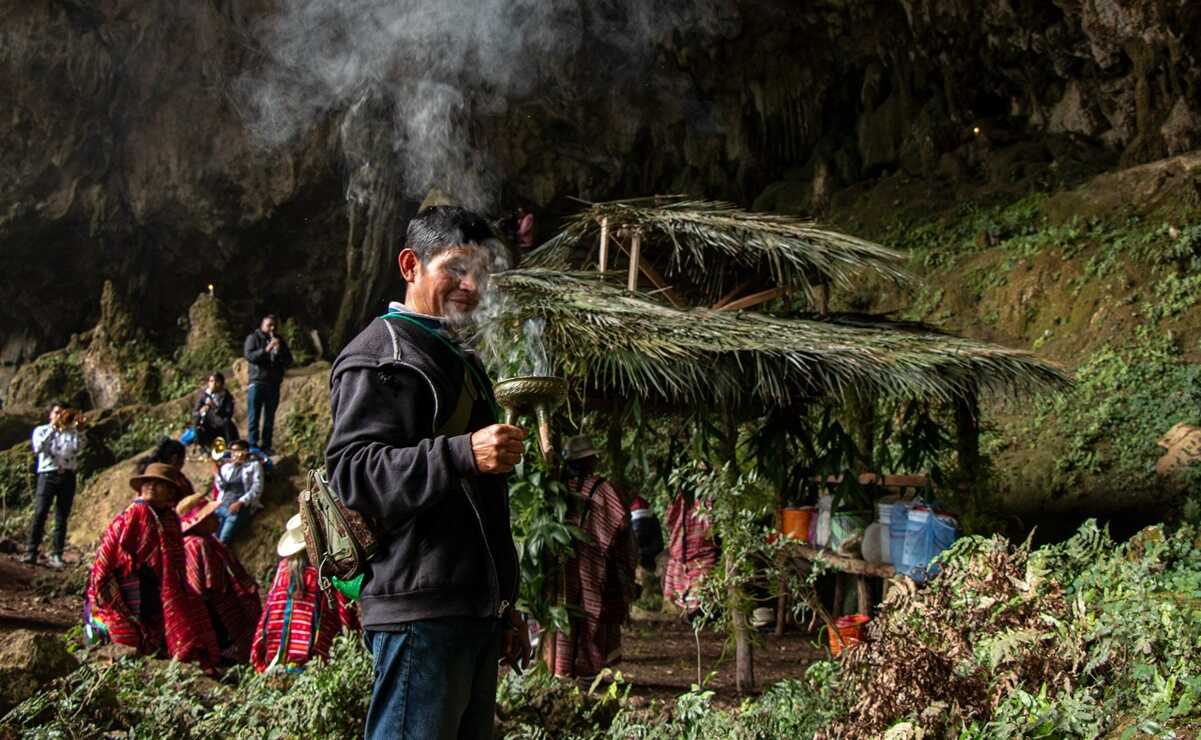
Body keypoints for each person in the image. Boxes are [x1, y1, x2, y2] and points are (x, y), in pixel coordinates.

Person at [325, 205, 531, 740]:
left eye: (482, 273)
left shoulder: (458, 357)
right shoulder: (381, 354)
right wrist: (462, 452)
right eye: (456, 268)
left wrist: (502, 605)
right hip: (420, 614)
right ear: (411, 264)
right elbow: (352, 471)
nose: (470, 285)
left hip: (469, 612)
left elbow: (477, 507)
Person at [83, 463, 221, 670]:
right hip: (121, 590)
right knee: (127, 639)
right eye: (147, 482)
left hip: (153, 591)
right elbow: (114, 557)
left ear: (171, 493)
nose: (151, 487)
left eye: (159, 484)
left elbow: (173, 566)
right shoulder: (138, 511)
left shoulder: (170, 519)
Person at [551, 435, 636, 678]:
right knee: (591, 612)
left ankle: (562, 667)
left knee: (564, 608)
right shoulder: (601, 488)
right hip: (592, 562)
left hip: (563, 561)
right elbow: (619, 524)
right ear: (589, 460)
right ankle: (589, 669)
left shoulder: (557, 488)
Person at [251, 515, 360, 673]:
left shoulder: (283, 568)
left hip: (273, 654)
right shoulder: (324, 569)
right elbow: (344, 609)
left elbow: (269, 610)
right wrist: (353, 637)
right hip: (314, 658)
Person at [178, 492, 262, 665]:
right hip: (215, 608)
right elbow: (203, 585)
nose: (217, 519)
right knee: (227, 644)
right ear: (200, 522)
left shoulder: (208, 540)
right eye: (212, 516)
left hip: (217, 604)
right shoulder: (197, 544)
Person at [24, 401, 87, 568]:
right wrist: (53, 427)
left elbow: (80, 448)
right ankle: (31, 552)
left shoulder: (72, 432)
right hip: (47, 475)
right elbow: (38, 448)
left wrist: (80, 430)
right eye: (57, 412)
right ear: (50, 414)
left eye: (63, 412)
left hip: (67, 476)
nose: (61, 415)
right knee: (40, 513)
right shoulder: (41, 430)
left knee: (62, 517)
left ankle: (57, 555)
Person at [243, 314, 292, 453]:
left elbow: (289, 360)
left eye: (274, 325)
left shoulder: (279, 340)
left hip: (273, 383)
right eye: (269, 325)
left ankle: (266, 446)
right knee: (254, 416)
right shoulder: (253, 338)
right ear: (262, 325)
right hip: (257, 382)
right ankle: (252, 445)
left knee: (269, 417)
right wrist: (267, 349)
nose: (272, 328)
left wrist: (280, 350)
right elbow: (249, 356)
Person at [663, 492, 719, 613]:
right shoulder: (680, 498)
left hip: (700, 556)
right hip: (683, 556)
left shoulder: (703, 497)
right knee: (685, 598)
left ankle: (695, 608)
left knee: (697, 598)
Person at [212, 439, 263, 545]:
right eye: (232, 451)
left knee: (222, 540)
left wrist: (240, 502)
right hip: (221, 505)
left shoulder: (254, 466)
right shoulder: (227, 467)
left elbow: (257, 488)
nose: (233, 454)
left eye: (236, 451)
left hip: (236, 509)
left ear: (245, 451)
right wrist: (218, 474)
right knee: (211, 537)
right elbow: (222, 487)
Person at [190, 372, 237, 450]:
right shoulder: (204, 395)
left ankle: (229, 447)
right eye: (211, 381)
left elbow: (229, 413)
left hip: (221, 423)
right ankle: (203, 447)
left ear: (222, 383)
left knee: (227, 423)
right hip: (207, 423)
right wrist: (201, 412)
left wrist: (215, 408)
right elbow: (195, 413)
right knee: (197, 425)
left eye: (217, 381)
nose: (214, 384)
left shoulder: (226, 396)